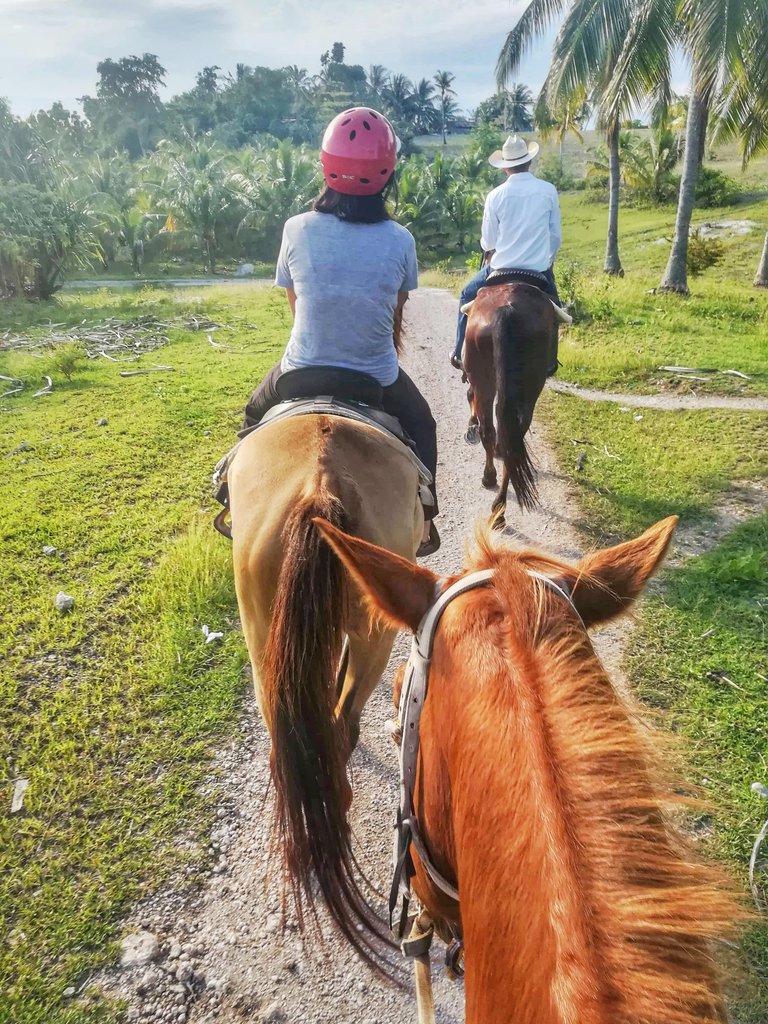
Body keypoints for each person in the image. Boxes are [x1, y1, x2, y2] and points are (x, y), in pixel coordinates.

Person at [243, 107, 440, 556]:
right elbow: (395, 314)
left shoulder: (295, 229)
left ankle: (234, 503)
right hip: (375, 377)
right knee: (423, 424)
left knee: (254, 415)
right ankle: (426, 517)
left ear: (326, 165)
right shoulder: (400, 240)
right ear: (387, 175)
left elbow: (297, 308)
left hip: (301, 370)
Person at [452, 134, 562, 370]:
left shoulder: (495, 195)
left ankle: (459, 351)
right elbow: (555, 236)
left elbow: (488, 240)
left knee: (465, 294)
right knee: (556, 308)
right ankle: (551, 359)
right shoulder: (548, 190)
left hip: (500, 268)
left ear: (505, 168)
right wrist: (546, 260)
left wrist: (489, 248)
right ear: (529, 162)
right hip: (537, 270)